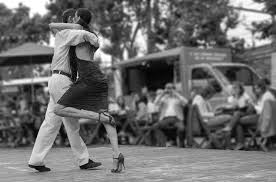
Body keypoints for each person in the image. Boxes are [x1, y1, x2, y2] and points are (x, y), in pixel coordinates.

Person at [52, 8, 124, 173]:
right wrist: (91, 36)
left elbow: (57, 28)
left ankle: (97, 116)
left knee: (58, 109)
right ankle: (116, 155)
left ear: (77, 17)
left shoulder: (80, 33)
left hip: (88, 79)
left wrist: (83, 32)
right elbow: (94, 41)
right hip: (99, 79)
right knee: (107, 119)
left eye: (74, 16)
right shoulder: (89, 33)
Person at [28, 9, 101, 172]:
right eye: (74, 17)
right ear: (70, 19)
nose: (76, 19)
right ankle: (83, 160)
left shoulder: (63, 34)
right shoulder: (67, 33)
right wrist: (94, 38)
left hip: (57, 80)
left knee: (50, 123)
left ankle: (36, 159)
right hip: (62, 80)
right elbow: (87, 36)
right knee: (72, 123)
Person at [154, 83, 188, 147]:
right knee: (156, 126)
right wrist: (162, 93)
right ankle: (162, 145)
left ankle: (181, 145)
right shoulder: (164, 98)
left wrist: (176, 94)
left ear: (174, 89)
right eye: (167, 88)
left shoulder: (178, 98)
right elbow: (155, 103)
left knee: (181, 128)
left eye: (171, 88)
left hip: (177, 119)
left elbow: (186, 103)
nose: (169, 90)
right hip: (165, 119)